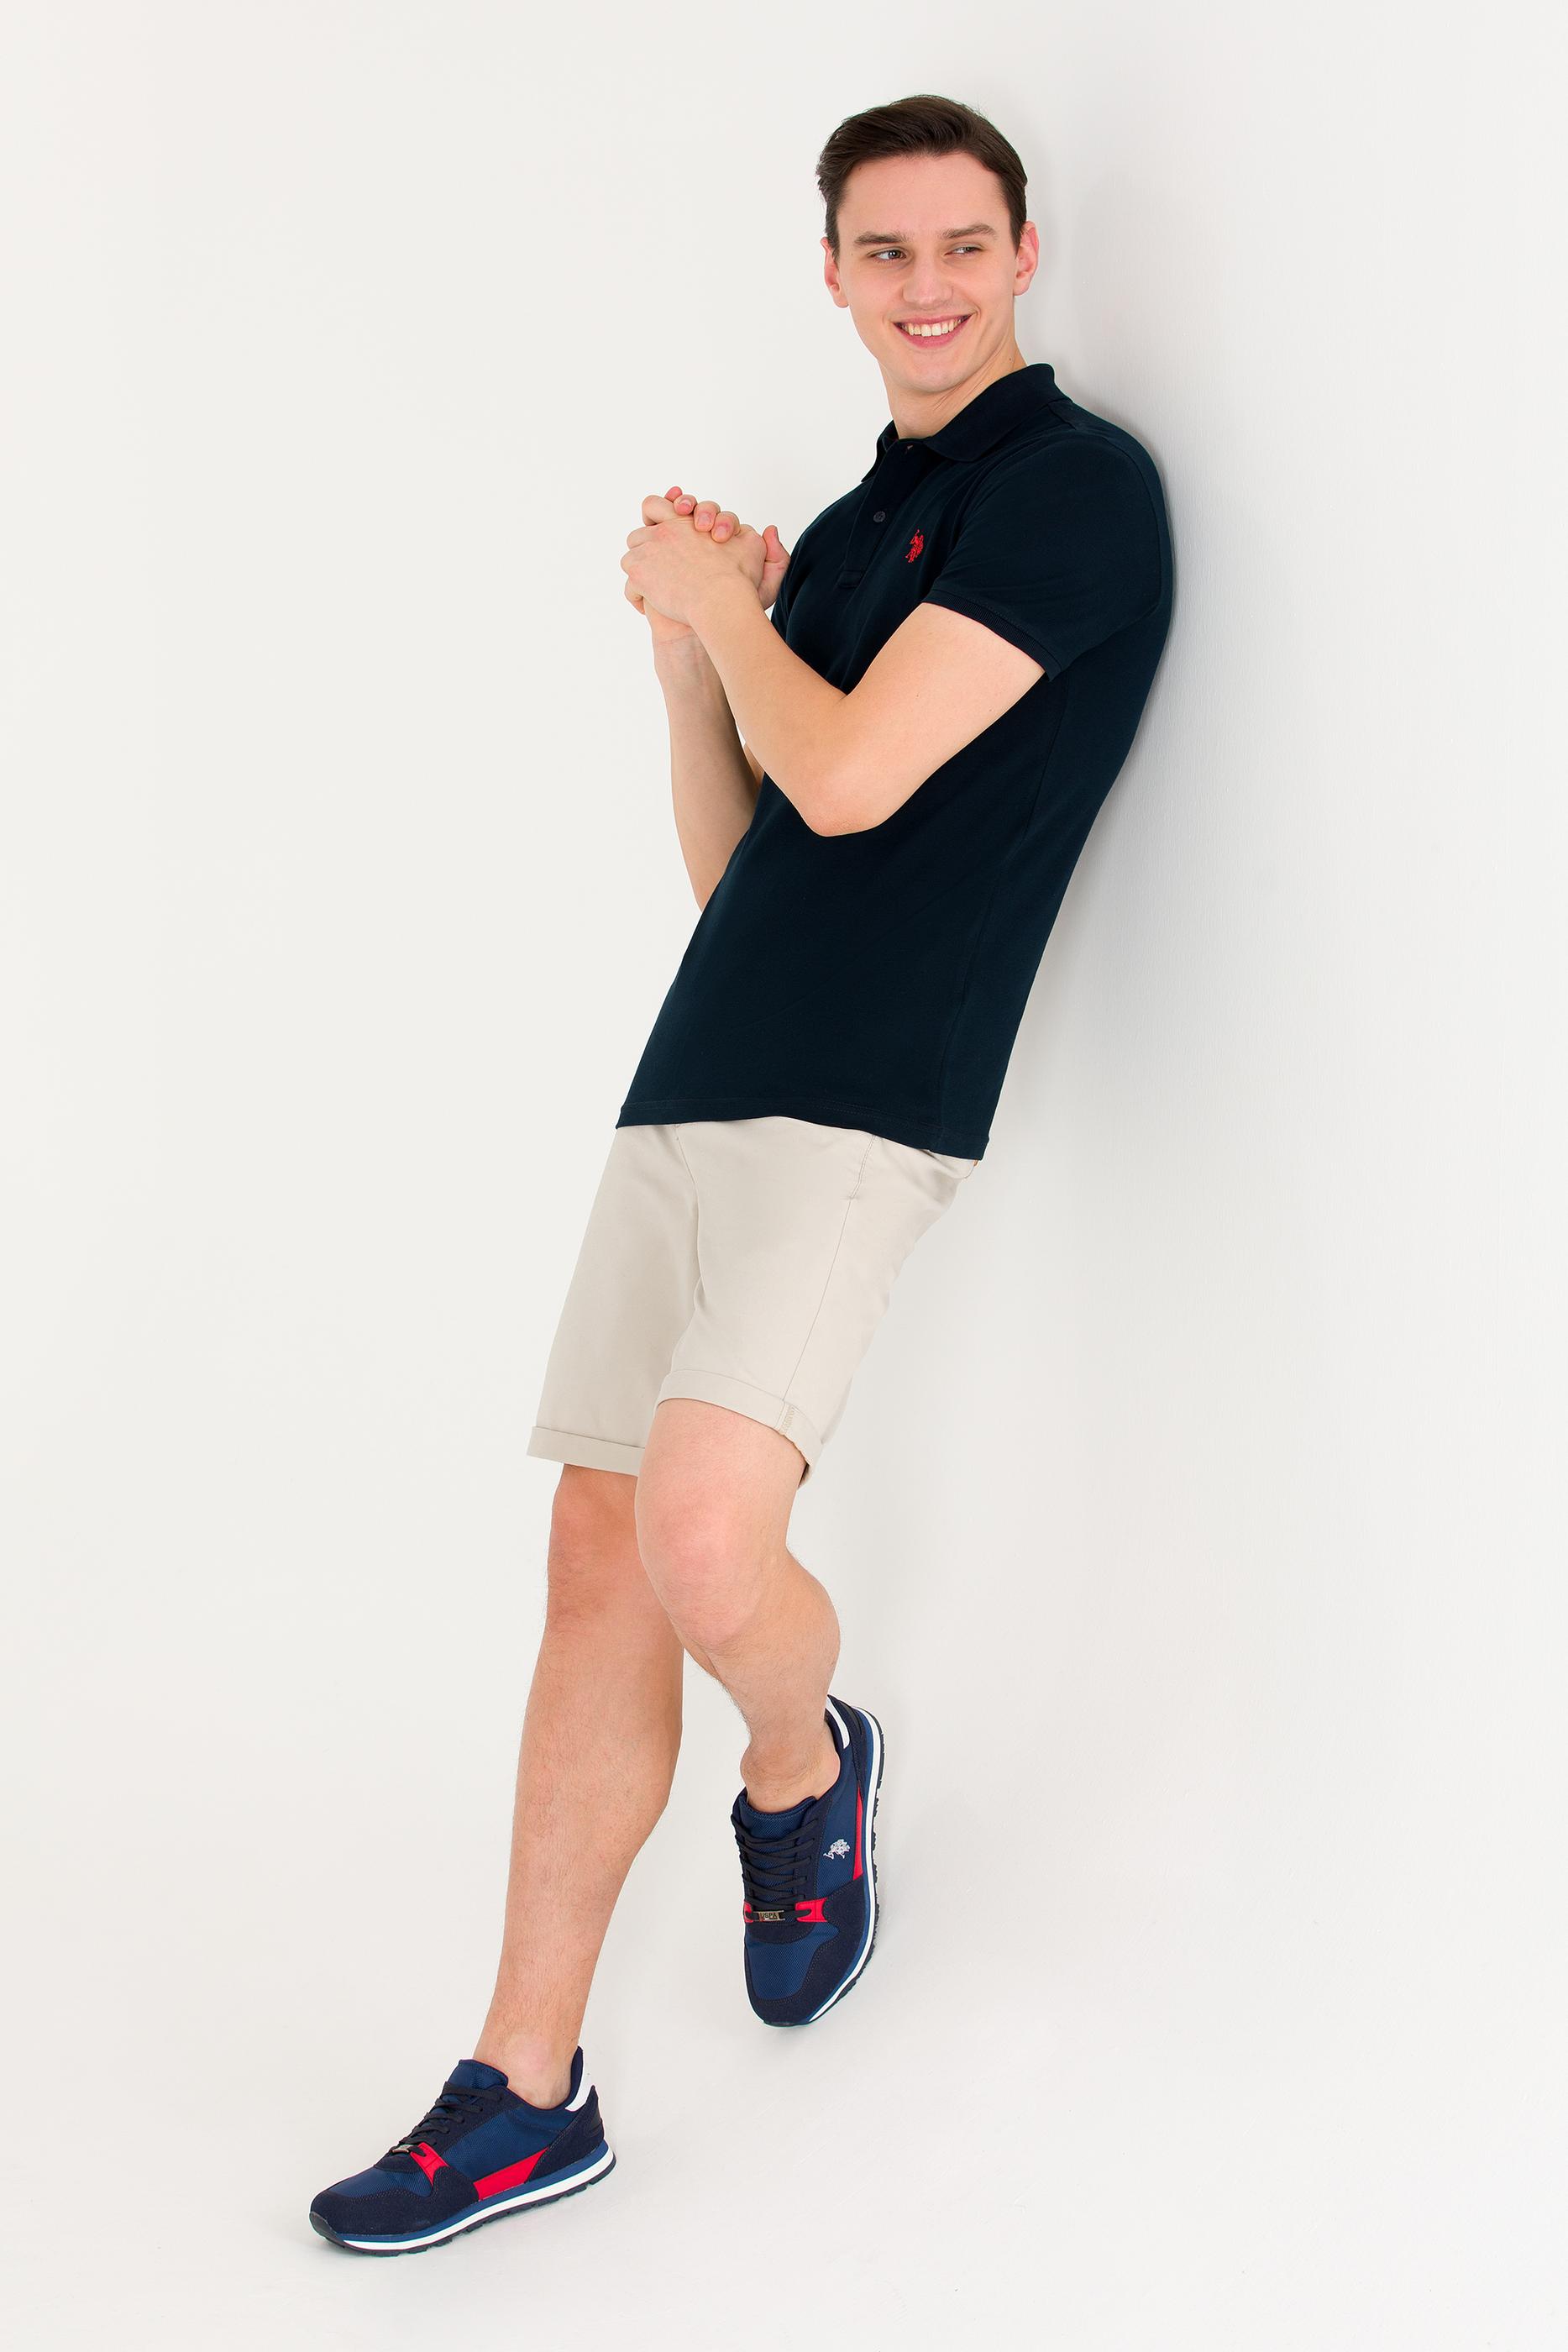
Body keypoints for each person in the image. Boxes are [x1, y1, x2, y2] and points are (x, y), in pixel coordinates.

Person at [309, 91, 1173, 2255]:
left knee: (707, 1532)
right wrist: (689, 652)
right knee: (598, 1562)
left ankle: (806, 1766)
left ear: (1025, 252)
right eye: (886, 252)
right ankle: (524, 2088)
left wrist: (722, 595)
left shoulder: (1072, 493)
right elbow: (746, 866)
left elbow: (860, 776)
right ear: (836, 277)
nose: (928, 286)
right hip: (693, 1078)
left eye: (962, 244)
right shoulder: (862, 525)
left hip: (865, 1102)